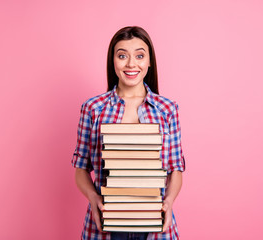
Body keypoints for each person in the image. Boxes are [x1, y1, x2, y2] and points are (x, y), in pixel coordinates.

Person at [72, 26, 185, 240]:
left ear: (149, 62)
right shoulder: (93, 109)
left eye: (140, 56)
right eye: (122, 55)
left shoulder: (168, 109)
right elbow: (80, 169)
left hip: (155, 225)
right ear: (112, 61)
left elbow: (176, 169)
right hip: (106, 225)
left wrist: (168, 201)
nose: (131, 64)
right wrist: (94, 198)